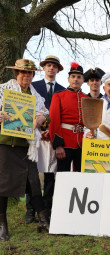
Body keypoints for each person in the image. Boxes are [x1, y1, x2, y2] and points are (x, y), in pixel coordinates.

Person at [0, 59, 50, 241]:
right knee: (3, 185)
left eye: (29, 73)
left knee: (34, 182)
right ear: (16, 74)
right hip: (7, 144)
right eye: (23, 73)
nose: (26, 76)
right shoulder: (3, 90)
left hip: (28, 146)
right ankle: (2, 224)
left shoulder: (35, 95)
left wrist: (41, 119)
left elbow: (47, 114)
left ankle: (43, 220)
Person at [24, 56, 65, 224]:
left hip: (52, 137)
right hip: (35, 134)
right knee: (31, 172)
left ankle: (46, 209)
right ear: (44, 68)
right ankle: (31, 210)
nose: (51, 68)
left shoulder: (63, 90)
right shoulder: (34, 86)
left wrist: (52, 131)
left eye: (54, 66)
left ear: (58, 70)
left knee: (49, 173)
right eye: (48, 65)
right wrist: (39, 128)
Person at [49, 62, 89, 172]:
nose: (76, 79)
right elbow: (54, 121)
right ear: (68, 79)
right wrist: (58, 145)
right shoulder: (58, 96)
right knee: (63, 176)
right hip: (65, 142)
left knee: (82, 177)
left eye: (79, 77)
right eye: (73, 76)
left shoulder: (87, 98)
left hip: (83, 143)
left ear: (83, 80)